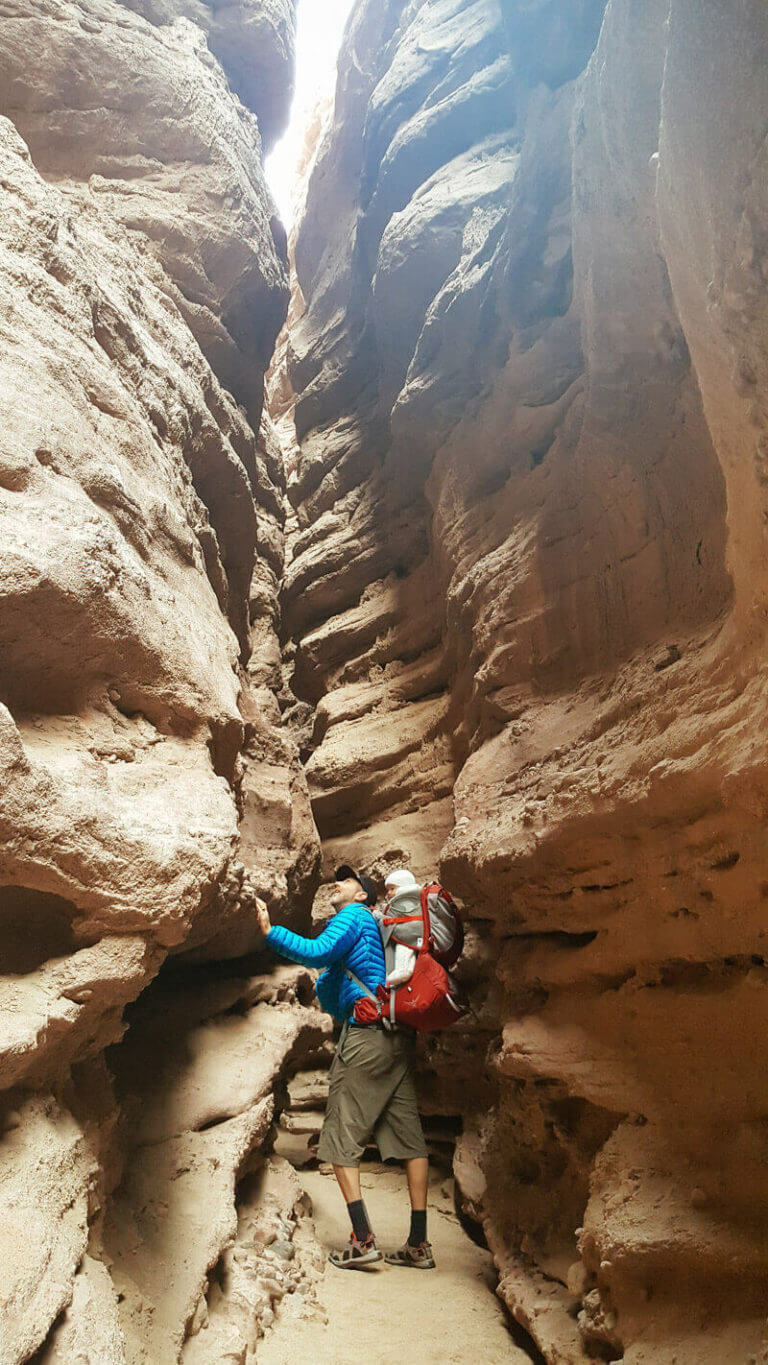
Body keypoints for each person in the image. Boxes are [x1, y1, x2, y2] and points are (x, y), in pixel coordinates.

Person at [255, 865, 434, 1271]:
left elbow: (316, 952)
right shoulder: (373, 929)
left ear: (361, 896)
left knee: (337, 1136)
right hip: (397, 1038)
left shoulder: (353, 916)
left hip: (368, 1038)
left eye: (348, 880)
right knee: (409, 1137)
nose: (338, 883)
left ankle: (362, 1239)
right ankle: (419, 1244)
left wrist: (270, 933)